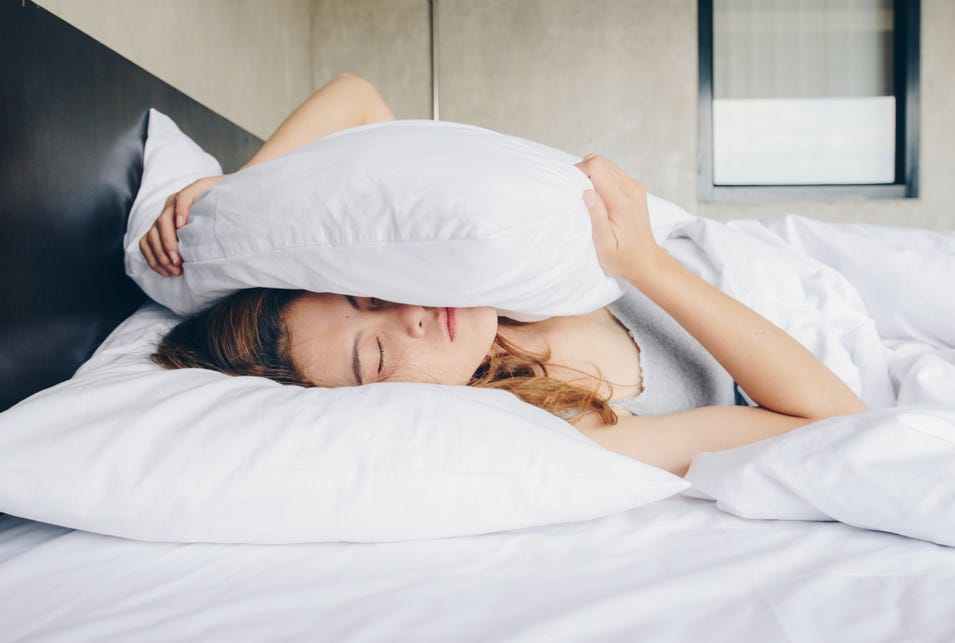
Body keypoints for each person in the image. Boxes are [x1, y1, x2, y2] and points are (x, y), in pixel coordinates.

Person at [142, 74, 866, 477]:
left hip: (754, 253)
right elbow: (833, 421)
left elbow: (358, 99)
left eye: (372, 293)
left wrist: (242, 193)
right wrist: (644, 264)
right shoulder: (573, 425)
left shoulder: (486, 260)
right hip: (806, 336)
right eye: (379, 353)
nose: (413, 313)